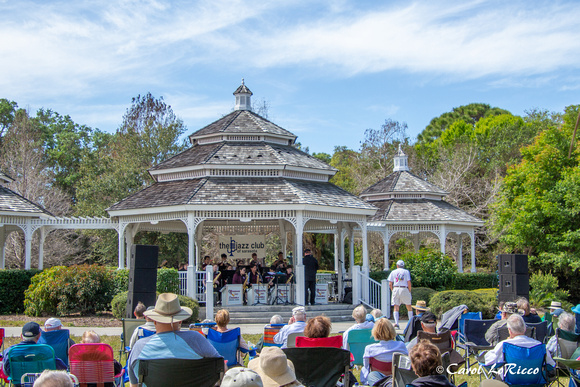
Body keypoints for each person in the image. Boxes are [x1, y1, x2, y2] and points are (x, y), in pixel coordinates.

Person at [127, 293, 223, 387]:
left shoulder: (139, 348)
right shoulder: (196, 339)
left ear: (154, 320)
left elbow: (134, 384)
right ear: (180, 320)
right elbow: (221, 367)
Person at [483, 314, 555, 368]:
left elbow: (489, 361)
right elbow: (551, 364)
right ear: (525, 329)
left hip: (510, 381)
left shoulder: (504, 345)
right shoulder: (539, 345)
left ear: (510, 331)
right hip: (535, 381)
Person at [2, 322, 67, 380]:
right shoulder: (46, 350)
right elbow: (62, 368)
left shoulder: (11, 351)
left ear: (21, 336)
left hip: (19, 383)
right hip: (41, 383)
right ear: (39, 336)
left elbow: (6, 371)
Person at [361, 318, 408, 386]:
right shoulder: (401, 345)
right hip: (396, 379)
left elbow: (366, 367)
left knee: (371, 375)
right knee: (372, 375)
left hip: (379, 379)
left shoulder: (370, 349)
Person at [388, 260, 413, 328]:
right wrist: (409, 291)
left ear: (397, 265)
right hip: (404, 288)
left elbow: (390, 283)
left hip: (396, 288)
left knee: (396, 306)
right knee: (408, 305)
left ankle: (396, 323)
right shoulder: (406, 271)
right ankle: (411, 322)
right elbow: (409, 282)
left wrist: (393, 290)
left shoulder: (393, 272)